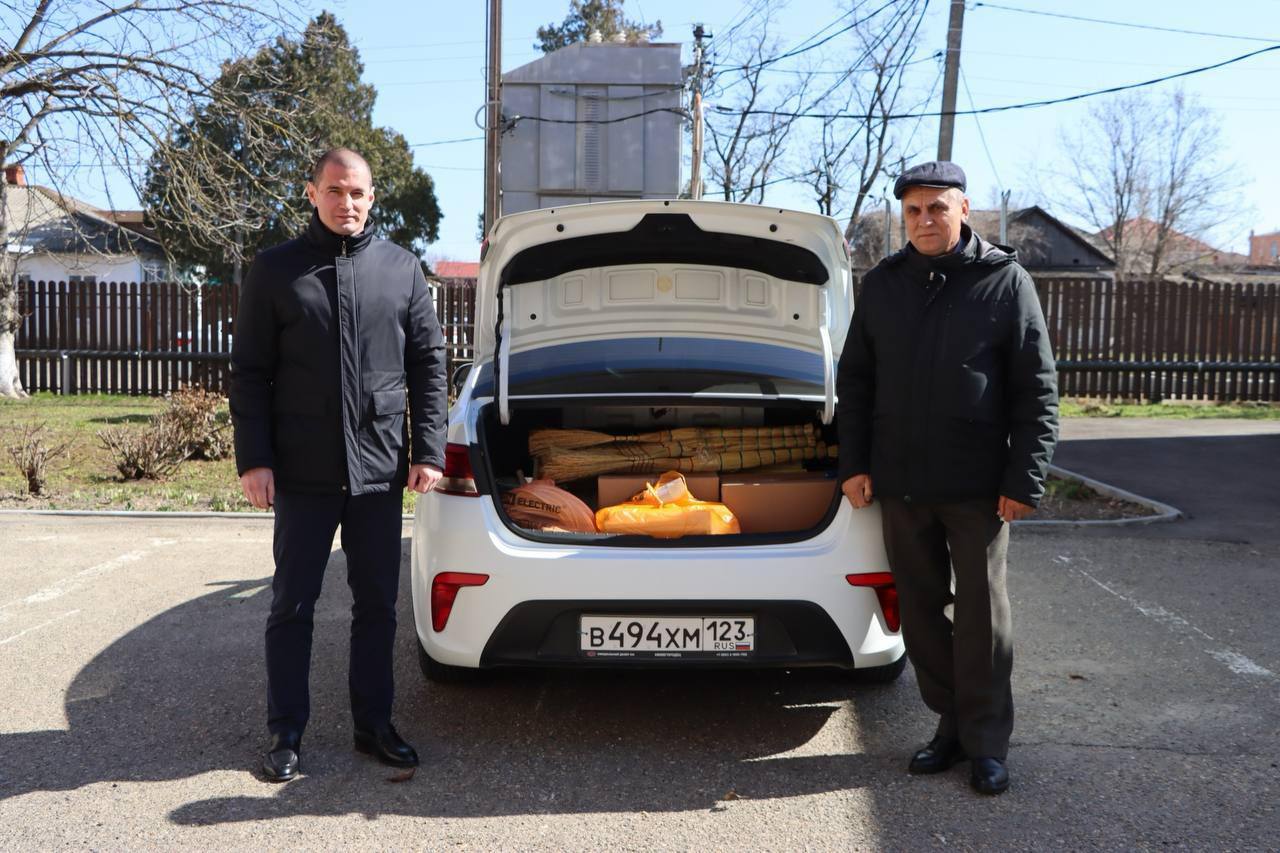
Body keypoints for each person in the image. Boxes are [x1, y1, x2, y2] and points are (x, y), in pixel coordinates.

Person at [836, 161, 1058, 795]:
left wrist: (1025, 478)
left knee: (983, 616)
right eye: (913, 210)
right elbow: (856, 382)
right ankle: (951, 726)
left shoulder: (1005, 281)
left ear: (964, 209)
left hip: (978, 487)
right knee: (921, 612)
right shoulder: (884, 284)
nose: (924, 220)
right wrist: (854, 464)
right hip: (901, 483)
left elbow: (1036, 389)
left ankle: (987, 742)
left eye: (937, 207)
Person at [230, 147, 448, 783]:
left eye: (357, 192)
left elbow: (428, 365)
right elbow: (249, 373)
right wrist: (255, 459)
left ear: (372, 197)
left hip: (378, 469)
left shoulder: (402, 270)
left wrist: (428, 449)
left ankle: (374, 724)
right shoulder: (275, 270)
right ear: (312, 194)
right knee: (292, 604)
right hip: (302, 470)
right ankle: (285, 731)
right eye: (334, 191)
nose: (346, 203)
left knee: (377, 605)